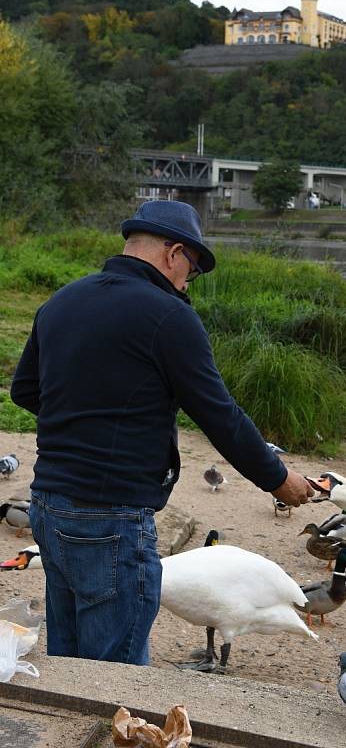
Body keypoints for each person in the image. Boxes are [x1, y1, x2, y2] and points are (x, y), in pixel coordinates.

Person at [11, 200, 314, 666]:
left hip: (48, 505)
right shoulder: (169, 316)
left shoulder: (63, 301)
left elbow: (25, 390)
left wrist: (91, 415)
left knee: (70, 665)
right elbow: (220, 415)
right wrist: (279, 479)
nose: (185, 284)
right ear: (174, 253)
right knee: (119, 673)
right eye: (189, 273)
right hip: (111, 516)